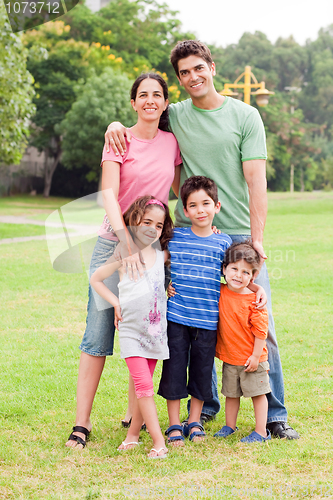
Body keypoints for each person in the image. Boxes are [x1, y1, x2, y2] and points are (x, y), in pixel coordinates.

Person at [104, 40, 300, 440]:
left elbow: (255, 180)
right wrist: (115, 127)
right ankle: (206, 406)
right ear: (179, 79)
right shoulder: (176, 114)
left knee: (258, 318)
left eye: (198, 68)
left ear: (212, 67)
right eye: (184, 73)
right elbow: (145, 115)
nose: (193, 77)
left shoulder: (245, 115)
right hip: (194, 233)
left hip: (238, 234)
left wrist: (257, 239)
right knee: (200, 317)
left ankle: (275, 413)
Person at [65, 73, 182, 449]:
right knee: (98, 332)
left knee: (146, 330)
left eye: (157, 95)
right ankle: (81, 424)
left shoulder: (172, 143)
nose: (150, 100)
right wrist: (125, 243)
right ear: (133, 103)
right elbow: (108, 195)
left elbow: (179, 188)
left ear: (165, 103)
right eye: (143, 95)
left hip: (153, 250)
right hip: (113, 243)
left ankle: (135, 417)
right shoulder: (118, 138)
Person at [158, 176, 266, 446]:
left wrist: (257, 289)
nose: (200, 210)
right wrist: (165, 285)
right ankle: (174, 424)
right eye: (193, 205)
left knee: (201, 371)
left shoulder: (223, 242)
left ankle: (194, 421)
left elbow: (236, 274)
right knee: (173, 370)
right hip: (177, 318)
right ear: (185, 211)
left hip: (208, 322)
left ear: (217, 206)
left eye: (206, 203)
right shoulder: (175, 237)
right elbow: (154, 262)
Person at [90, 196, 173, 458]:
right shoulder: (125, 254)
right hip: (131, 330)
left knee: (144, 386)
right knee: (143, 386)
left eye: (158, 225)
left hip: (156, 331)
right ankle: (159, 441)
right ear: (133, 221)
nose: (152, 228)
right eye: (146, 221)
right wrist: (115, 302)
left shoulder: (162, 253)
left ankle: (133, 435)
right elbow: (97, 278)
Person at [214, 241, 271, 443]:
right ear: (224, 269)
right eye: (234, 269)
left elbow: (261, 332)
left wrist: (256, 356)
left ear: (253, 276)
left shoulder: (255, 300)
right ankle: (230, 425)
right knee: (231, 394)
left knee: (258, 394)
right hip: (230, 357)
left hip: (252, 358)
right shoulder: (219, 291)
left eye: (246, 272)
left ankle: (261, 431)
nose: (239, 275)